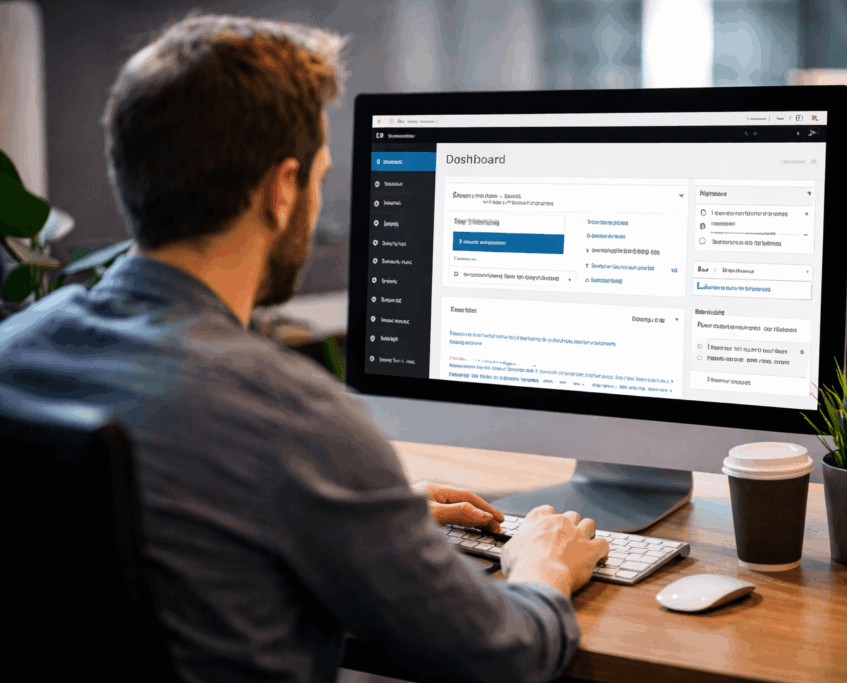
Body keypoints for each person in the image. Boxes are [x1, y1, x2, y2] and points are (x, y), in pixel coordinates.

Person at [0, 14, 608, 683]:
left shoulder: (14, 348)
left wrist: (360, 512)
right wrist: (542, 565)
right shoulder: (290, 419)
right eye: (319, 175)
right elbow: (505, 656)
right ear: (283, 188)